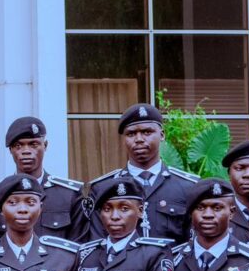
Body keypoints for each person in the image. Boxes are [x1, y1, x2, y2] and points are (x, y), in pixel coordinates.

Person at [80, 103, 202, 243]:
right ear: (124, 139)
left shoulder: (187, 187)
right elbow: (97, 244)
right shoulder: (102, 188)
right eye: (131, 134)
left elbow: (194, 243)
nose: (139, 139)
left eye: (147, 132)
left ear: (162, 135)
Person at [0, 117, 84, 242]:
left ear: (45, 145)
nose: (26, 151)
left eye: (33, 145)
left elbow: (79, 246)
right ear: (10, 150)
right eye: (18, 146)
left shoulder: (68, 195)